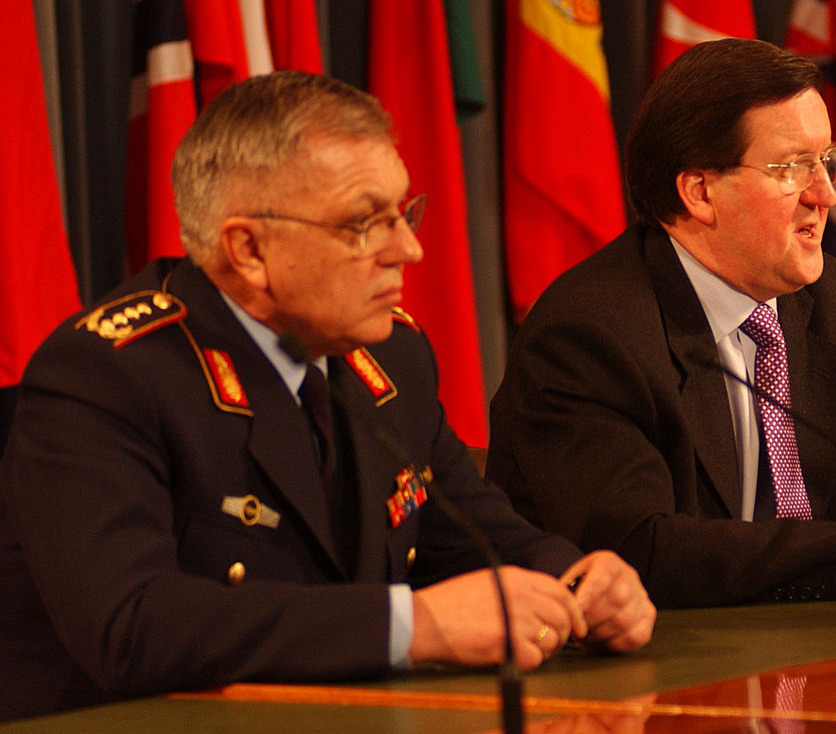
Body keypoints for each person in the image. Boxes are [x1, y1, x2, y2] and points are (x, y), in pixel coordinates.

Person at [0, 71, 654, 721]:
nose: (410, 249)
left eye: (404, 212)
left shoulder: (390, 355)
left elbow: (477, 532)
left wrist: (577, 581)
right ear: (249, 249)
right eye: (364, 224)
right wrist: (412, 625)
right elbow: (130, 625)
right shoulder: (107, 374)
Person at [487, 38, 836, 608]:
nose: (825, 196)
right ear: (700, 193)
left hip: (808, 663)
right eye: (792, 168)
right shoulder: (590, 334)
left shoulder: (833, 303)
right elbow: (639, 553)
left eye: (827, 162)